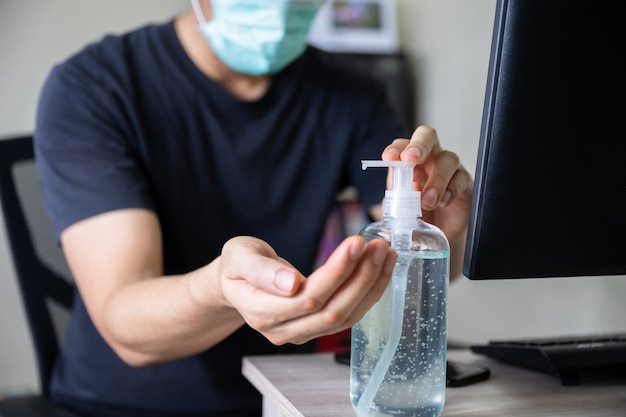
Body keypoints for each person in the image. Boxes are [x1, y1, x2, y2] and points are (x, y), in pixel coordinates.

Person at [34, 1, 474, 416]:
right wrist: (221, 289)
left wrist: (445, 229)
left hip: (284, 395)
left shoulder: (352, 92)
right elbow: (126, 324)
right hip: (127, 405)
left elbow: (409, 245)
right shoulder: (94, 87)